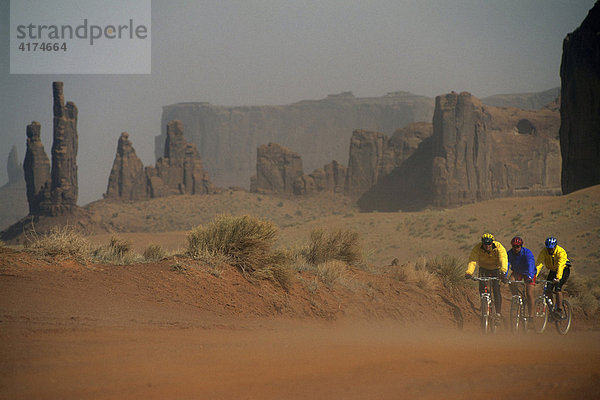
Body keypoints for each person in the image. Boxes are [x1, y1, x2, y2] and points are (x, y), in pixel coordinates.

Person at [465, 233, 508, 319]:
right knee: (482, 287)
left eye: (489, 243)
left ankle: (498, 313)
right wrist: (469, 272)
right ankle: (484, 304)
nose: (487, 245)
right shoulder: (477, 248)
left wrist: (503, 272)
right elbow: (472, 260)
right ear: (482, 243)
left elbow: (503, 258)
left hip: (496, 269)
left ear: (492, 242)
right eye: (485, 244)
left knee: (496, 289)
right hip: (484, 268)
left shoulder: (498, 247)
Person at [536, 236, 571, 319]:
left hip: (563, 270)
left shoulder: (561, 252)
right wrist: (534, 276)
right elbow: (539, 264)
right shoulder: (544, 252)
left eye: (551, 249)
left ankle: (559, 310)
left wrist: (558, 278)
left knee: (557, 288)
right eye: (548, 248)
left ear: (555, 247)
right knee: (548, 289)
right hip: (552, 270)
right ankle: (552, 310)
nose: (549, 250)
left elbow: (560, 265)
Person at [506, 236, 536, 319]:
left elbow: (531, 264)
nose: (515, 248)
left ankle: (531, 316)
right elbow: (507, 265)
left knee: (529, 294)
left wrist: (530, 276)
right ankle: (516, 297)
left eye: (517, 246)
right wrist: (504, 276)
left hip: (528, 273)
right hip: (517, 272)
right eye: (514, 246)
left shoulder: (527, 253)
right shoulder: (509, 253)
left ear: (521, 246)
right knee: (511, 280)